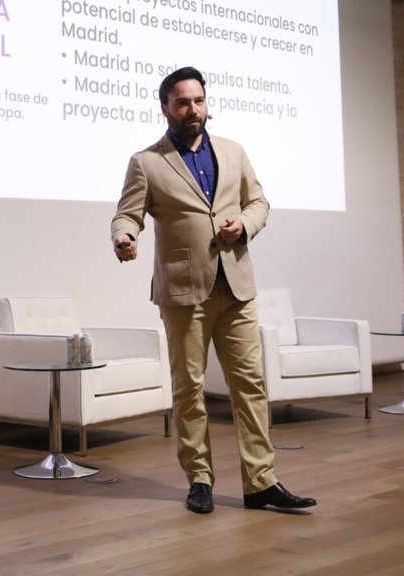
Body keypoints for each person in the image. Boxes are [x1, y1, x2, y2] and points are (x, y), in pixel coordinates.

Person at [110, 66, 316, 515]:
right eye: (183, 102)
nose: (193, 109)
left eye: (199, 100)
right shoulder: (147, 162)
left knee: (250, 386)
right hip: (184, 292)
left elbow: (258, 202)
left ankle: (261, 482)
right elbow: (128, 214)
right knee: (190, 389)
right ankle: (199, 479)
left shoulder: (233, 151)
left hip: (236, 286)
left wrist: (244, 224)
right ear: (165, 107)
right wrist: (123, 236)